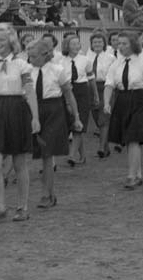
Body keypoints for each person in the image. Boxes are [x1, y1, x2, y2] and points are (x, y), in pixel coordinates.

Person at [0, 23, 40, 222]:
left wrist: (35, 117)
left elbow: (29, 92)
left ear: (11, 41)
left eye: (2, 39)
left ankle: (22, 207)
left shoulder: (22, 65)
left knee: (19, 161)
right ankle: (0, 206)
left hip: (18, 110)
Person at [104, 32, 143, 189]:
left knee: (134, 138)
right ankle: (137, 174)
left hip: (140, 101)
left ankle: (132, 176)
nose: (121, 46)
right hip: (122, 101)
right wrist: (106, 103)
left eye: (125, 43)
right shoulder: (115, 64)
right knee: (129, 139)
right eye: (119, 43)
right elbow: (109, 85)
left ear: (133, 44)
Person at [28, 39, 80, 209]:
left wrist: (76, 117)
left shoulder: (58, 70)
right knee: (40, 154)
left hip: (53, 111)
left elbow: (69, 94)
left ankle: (46, 194)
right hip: (35, 110)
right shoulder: (28, 71)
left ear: (45, 55)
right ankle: (49, 194)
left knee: (47, 153)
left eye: (34, 55)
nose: (30, 58)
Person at [62, 34, 95, 167]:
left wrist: (95, 95)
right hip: (68, 89)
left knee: (80, 122)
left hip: (82, 90)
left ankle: (72, 154)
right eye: (73, 44)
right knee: (71, 121)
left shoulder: (85, 60)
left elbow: (91, 77)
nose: (76, 46)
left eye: (78, 43)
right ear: (67, 46)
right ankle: (82, 155)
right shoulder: (61, 61)